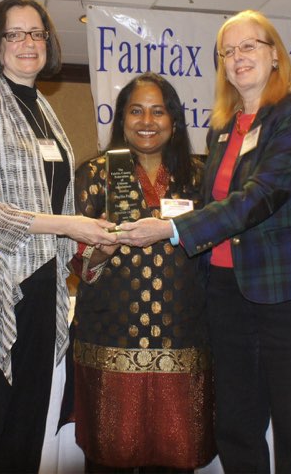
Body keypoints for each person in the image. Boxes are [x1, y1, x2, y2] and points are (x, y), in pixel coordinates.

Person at [117, 10, 291, 473]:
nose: (239, 58)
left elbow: (260, 196)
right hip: (227, 297)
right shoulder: (222, 128)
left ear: (274, 54)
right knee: (235, 430)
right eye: (228, 51)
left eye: (250, 46)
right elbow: (207, 204)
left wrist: (173, 229)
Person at [0, 0, 117, 473]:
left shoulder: (47, 115)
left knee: (24, 433)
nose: (27, 43)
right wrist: (65, 225)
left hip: (41, 289)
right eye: (14, 34)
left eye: (36, 33)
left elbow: (58, 202)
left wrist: (90, 238)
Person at [70, 72, 215, 472]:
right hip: (110, 339)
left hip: (183, 340)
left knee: (175, 457)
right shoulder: (95, 174)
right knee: (108, 458)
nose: (146, 121)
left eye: (158, 111)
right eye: (136, 111)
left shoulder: (199, 177)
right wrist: (99, 252)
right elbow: (75, 259)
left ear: (174, 121)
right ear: (121, 119)